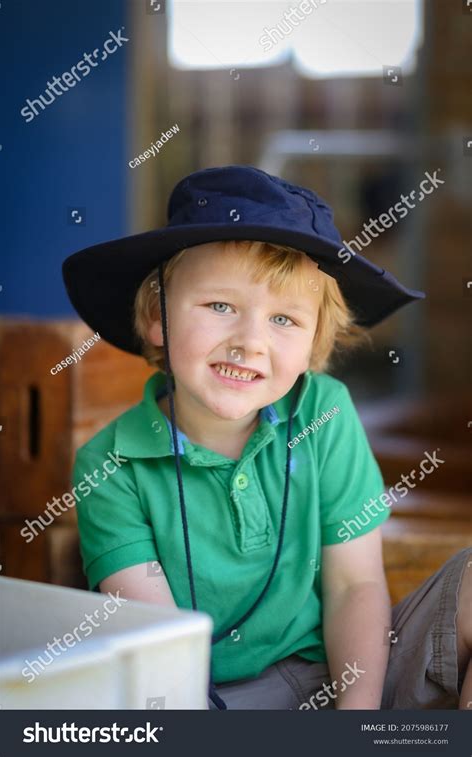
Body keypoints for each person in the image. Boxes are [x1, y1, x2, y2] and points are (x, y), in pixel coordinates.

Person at [63, 165, 472, 710]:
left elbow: (355, 587)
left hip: (346, 677)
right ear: (156, 317)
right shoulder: (110, 463)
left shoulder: (324, 412)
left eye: (284, 319)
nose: (249, 342)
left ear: (313, 344)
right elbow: (160, 650)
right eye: (220, 306)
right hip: (207, 700)